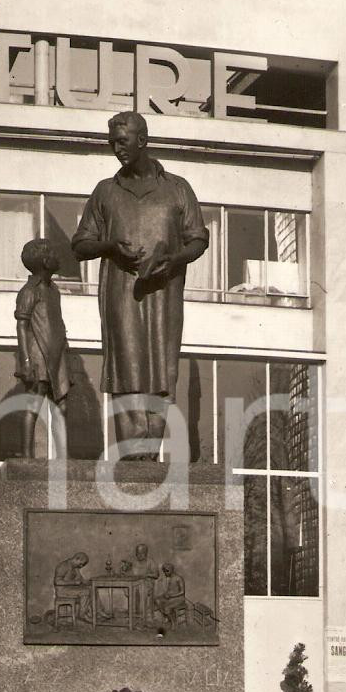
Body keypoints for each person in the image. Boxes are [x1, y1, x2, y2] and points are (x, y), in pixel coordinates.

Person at [72, 112, 208, 459]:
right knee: (126, 364)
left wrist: (175, 259)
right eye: (111, 142)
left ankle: (150, 450)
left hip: (164, 291)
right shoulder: (105, 191)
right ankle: (132, 450)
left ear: (142, 141)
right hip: (121, 292)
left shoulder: (178, 188)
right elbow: (80, 244)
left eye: (122, 141)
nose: (116, 149)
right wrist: (108, 246)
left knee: (162, 366)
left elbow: (198, 239)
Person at [14, 238, 71, 457]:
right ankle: (27, 456)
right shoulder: (29, 290)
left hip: (57, 357)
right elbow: (22, 325)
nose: (59, 258)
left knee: (62, 406)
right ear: (46, 261)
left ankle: (63, 457)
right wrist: (26, 361)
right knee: (33, 404)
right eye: (54, 254)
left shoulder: (53, 290)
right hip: (38, 354)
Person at [53, 551, 92, 624]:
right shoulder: (63, 566)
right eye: (81, 564)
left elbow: (81, 579)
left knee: (91, 589)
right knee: (85, 591)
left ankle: (99, 612)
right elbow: (57, 582)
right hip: (62, 591)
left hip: (71, 589)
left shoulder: (75, 567)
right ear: (77, 559)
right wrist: (74, 582)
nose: (81, 566)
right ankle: (82, 615)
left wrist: (90, 582)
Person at [128, 542, 158, 628]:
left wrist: (147, 575)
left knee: (143, 592)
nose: (139, 555)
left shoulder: (150, 562)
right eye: (137, 553)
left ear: (146, 553)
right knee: (131, 591)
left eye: (141, 553)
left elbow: (156, 575)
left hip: (147, 584)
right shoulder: (134, 562)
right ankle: (135, 617)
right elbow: (131, 574)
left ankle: (146, 619)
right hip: (136, 584)